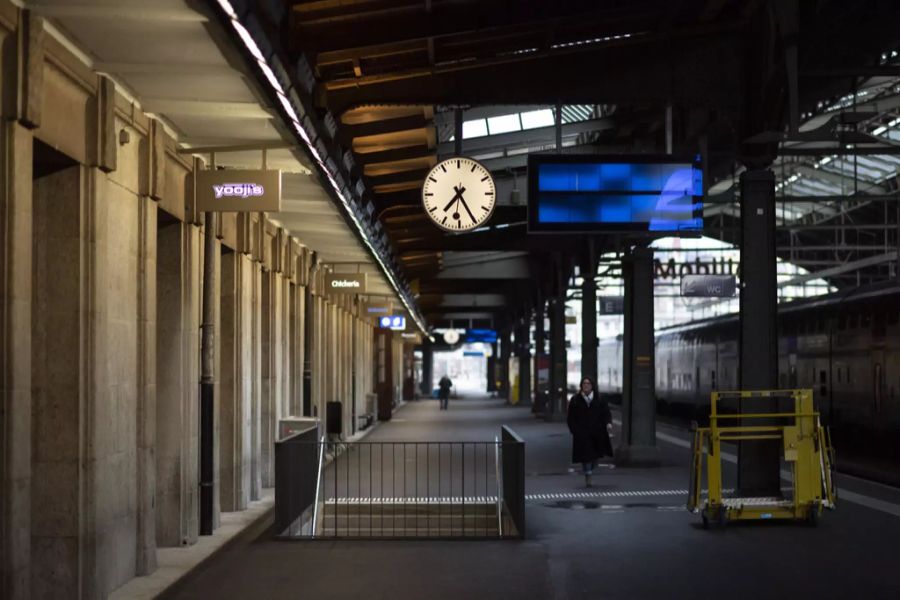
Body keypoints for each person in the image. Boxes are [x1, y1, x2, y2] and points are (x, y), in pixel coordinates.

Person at [566, 377, 613, 487]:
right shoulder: (575, 400)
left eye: (588, 383)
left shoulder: (599, 399)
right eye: (584, 383)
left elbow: (606, 413)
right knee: (586, 456)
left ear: (592, 386)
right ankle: (588, 476)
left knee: (595, 456)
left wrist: (608, 423)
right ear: (581, 386)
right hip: (582, 433)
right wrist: (574, 431)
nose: (586, 385)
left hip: (597, 433)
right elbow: (570, 418)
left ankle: (590, 469)